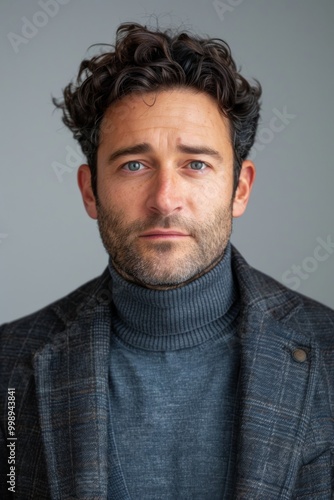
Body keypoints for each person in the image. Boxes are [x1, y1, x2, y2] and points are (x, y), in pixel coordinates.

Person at [0, 22, 333, 500]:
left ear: (240, 189)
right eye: (134, 164)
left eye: (195, 164)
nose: (164, 199)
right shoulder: (10, 365)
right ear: (90, 191)